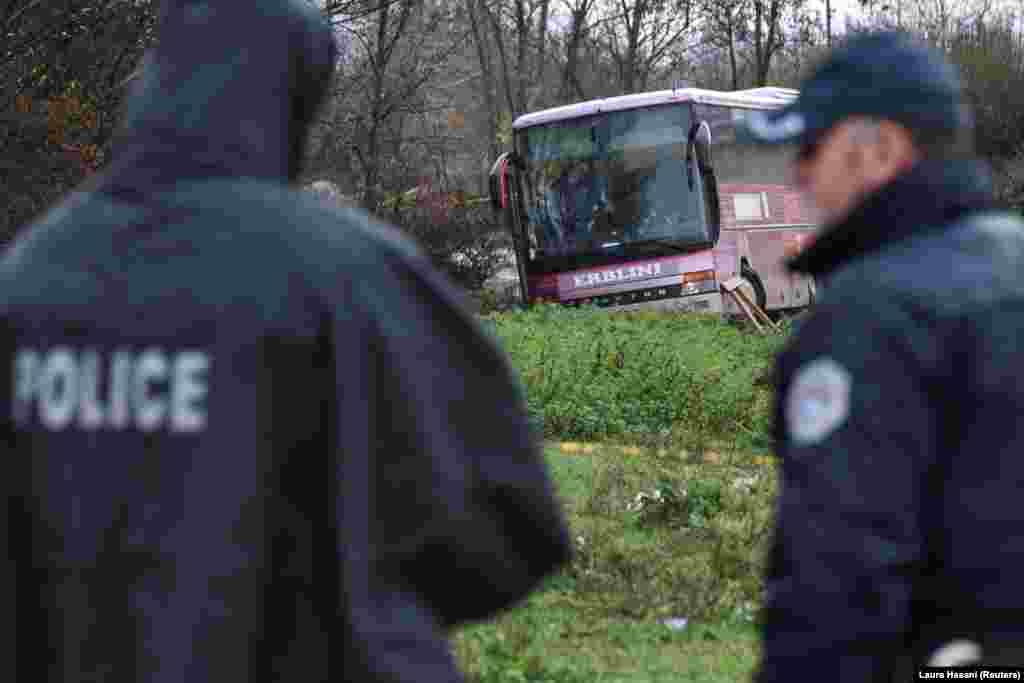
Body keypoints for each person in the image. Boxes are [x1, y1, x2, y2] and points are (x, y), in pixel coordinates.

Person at [0, 1, 572, 681]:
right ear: (291, 96)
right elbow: (512, 522)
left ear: (156, 76)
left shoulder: (27, 284)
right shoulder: (349, 279)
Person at [742, 30, 1024, 680]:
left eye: (813, 146)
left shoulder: (868, 320)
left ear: (881, 149)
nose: (799, 171)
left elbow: (838, 588)